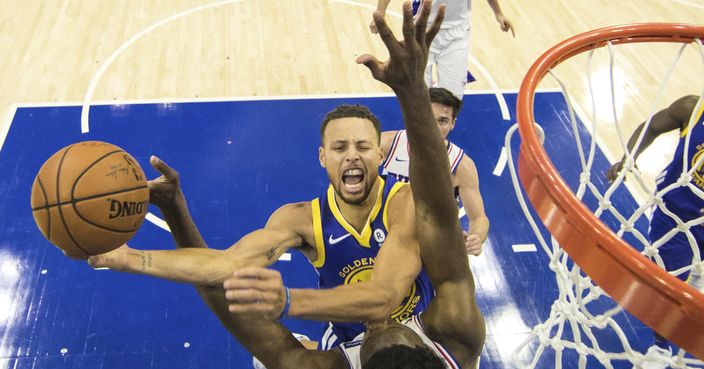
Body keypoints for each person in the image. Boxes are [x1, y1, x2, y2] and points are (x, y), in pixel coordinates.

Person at [223, 2, 485, 367]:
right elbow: (438, 200)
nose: (353, 155)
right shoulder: (456, 338)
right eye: (343, 147)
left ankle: (317, 342)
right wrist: (411, 89)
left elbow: (277, 349)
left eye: (361, 147)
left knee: (274, 359)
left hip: (346, 336)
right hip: (416, 315)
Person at [605, 95, 704, 369]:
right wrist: (629, 156)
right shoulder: (693, 108)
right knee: (666, 287)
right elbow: (651, 127)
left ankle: (696, 270)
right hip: (676, 218)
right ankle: (660, 350)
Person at [380, 86, 489, 255]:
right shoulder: (387, 144)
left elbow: (478, 218)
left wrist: (476, 237)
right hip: (387, 232)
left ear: (453, 124)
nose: (433, 126)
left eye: (442, 121)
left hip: (433, 243)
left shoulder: (461, 165)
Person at [370, 0, 515, 99]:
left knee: (454, 98)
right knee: (419, 97)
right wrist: (380, 12)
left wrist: (498, 14)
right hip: (421, 32)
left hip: (458, 33)